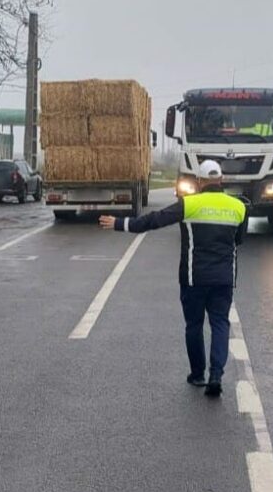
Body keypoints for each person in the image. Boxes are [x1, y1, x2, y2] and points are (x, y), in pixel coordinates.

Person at [99, 159, 247, 398]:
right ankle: (216, 375)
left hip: (193, 277)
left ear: (199, 182)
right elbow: (239, 240)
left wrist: (120, 223)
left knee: (194, 325)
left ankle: (198, 374)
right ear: (221, 180)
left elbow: (154, 220)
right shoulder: (238, 207)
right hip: (224, 279)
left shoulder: (188, 204)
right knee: (220, 324)